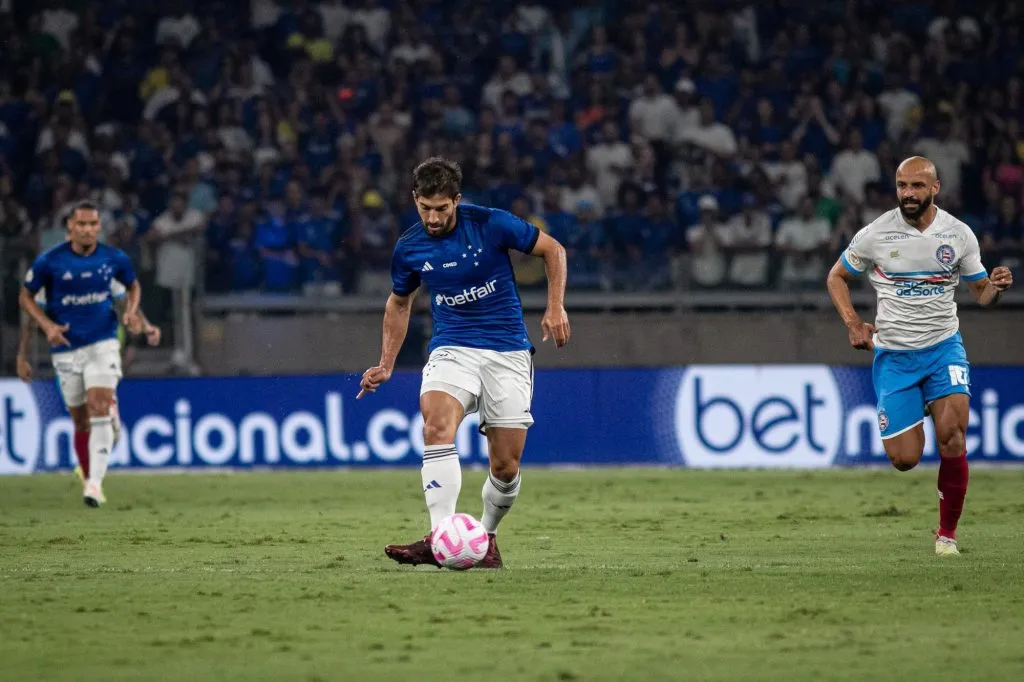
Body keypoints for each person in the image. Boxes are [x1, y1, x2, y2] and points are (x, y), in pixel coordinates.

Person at [357, 157, 570, 569]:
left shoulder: (491, 223)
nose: (433, 218)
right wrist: (386, 363)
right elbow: (399, 303)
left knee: (505, 467)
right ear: (415, 200)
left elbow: (553, 250)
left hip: (507, 352)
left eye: (442, 208)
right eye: (425, 208)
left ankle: (486, 538)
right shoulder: (410, 247)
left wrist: (555, 306)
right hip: (452, 347)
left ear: (456, 200)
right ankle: (440, 538)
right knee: (436, 425)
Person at [826, 157, 1014, 556]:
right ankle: (923, 402)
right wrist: (853, 323)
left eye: (916, 186)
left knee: (953, 438)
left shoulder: (958, 234)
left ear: (935, 188)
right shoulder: (876, 234)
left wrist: (995, 288)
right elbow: (836, 276)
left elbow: (981, 293)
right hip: (895, 356)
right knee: (905, 459)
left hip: (944, 348)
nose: (908, 193)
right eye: (902, 186)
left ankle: (947, 536)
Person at [19, 200, 145, 507]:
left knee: (97, 406)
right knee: (81, 422)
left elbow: (133, 286)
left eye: (92, 224)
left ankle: (94, 485)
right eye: (82, 224)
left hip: (103, 343)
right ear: (70, 227)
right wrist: (44, 331)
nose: (88, 230)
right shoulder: (50, 263)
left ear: (99, 227)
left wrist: (132, 313)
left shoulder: (113, 259)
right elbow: (25, 298)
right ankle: (99, 449)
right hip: (65, 349)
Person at [16, 274, 161, 486]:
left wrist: (146, 326)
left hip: (100, 356)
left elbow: (126, 303)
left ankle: (89, 465)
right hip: (68, 360)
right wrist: (22, 356)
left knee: (113, 433)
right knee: (85, 421)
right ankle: (88, 471)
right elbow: (30, 320)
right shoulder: (48, 275)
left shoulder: (103, 270)